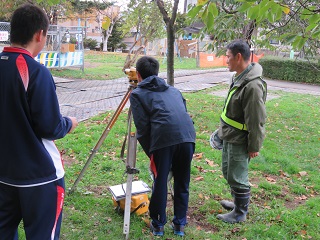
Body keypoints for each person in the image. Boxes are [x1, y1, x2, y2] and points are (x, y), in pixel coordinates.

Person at [0, 4, 78, 239]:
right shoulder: (36, 71)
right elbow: (49, 126)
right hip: (40, 177)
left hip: (4, 174)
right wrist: (69, 123)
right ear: (39, 35)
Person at [129, 56, 196, 236]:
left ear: (139, 75)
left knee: (161, 181)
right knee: (182, 181)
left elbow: (142, 128)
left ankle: (158, 224)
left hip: (165, 140)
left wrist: (152, 152)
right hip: (188, 137)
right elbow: (182, 112)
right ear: (157, 73)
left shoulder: (137, 94)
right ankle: (179, 225)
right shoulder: (174, 91)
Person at [216, 39, 267, 223]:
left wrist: (254, 145)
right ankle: (237, 203)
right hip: (230, 134)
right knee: (229, 171)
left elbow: (256, 119)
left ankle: (240, 212)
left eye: (228, 56)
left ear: (238, 57)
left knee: (237, 175)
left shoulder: (252, 86)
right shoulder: (239, 77)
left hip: (240, 139)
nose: (226, 60)